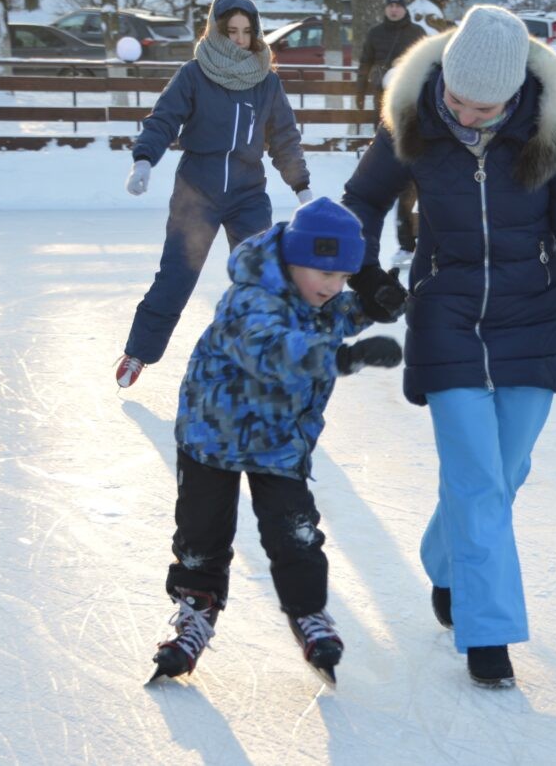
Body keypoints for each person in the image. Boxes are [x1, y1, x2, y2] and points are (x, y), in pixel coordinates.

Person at [341, 5, 556, 688]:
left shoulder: (552, 131)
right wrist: (367, 272)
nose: (465, 115)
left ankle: (447, 562)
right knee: (476, 477)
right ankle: (489, 629)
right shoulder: (415, 118)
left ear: (515, 94)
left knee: (505, 470)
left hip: (532, 314)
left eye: (484, 107)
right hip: (446, 310)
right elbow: (362, 200)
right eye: (458, 99)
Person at [147, 197, 403, 685]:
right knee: (201, 534)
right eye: (324, 273)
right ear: (291, 260)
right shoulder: (249, 299)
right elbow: (273, 351)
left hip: (280, 438)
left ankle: (308, 612)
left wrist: (371, 305)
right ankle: (194, 614)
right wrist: (345, 358)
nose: (333, 286)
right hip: (212, 435)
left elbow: (332, 314)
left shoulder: (313, 293)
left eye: (343, 277)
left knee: (296, 533)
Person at [117, 0, 312, 389]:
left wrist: (302, 187)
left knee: (262, 277)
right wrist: (144, 159)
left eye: (247, 31)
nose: (239, 39)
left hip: (248, 194)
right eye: (231, 31)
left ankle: (264, 358)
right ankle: (139, 352)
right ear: (216, 31)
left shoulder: (266, 82)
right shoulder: (194, 74)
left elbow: (285, 138)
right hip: (197, 193)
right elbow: (164, 119)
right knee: (177, 276)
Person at [354, 0, 425, 258]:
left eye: (398, 5)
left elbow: (427, 65)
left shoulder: (416, 33)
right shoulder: (375, 33)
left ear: (405, 9)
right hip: (383, 101)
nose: (394, 9)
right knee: (387, 160)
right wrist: (360, 91)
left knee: (411, 174)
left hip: (411, 103)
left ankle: (409, 240)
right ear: (386, 8)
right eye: (391, 5)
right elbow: (365, 62)